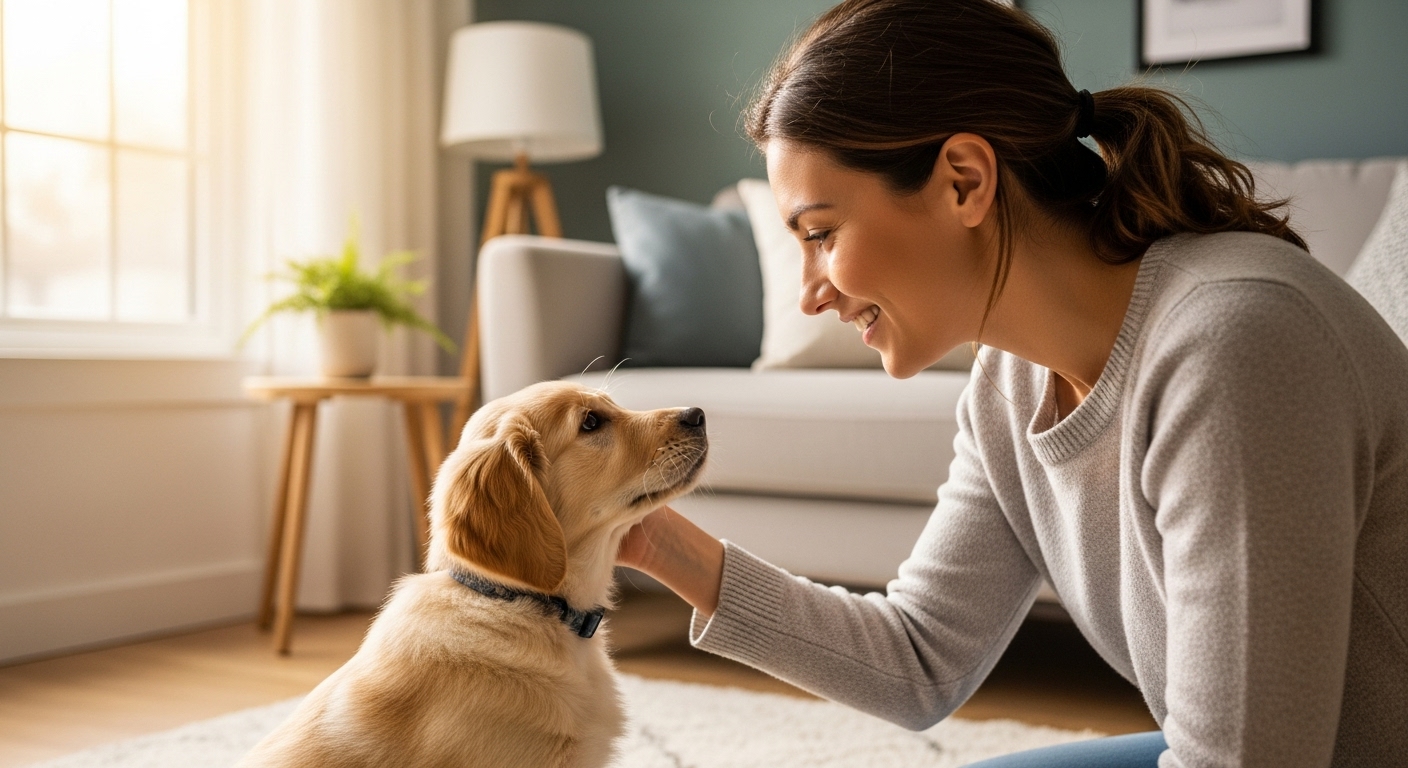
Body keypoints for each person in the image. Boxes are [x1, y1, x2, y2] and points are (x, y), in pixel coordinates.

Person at [614, 0, 1408, 766]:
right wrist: (654, 540)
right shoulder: (1012, 381)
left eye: (821, 234)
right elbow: (920, 657)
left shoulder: (1231, 345)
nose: (809, 293)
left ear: (964, 179)